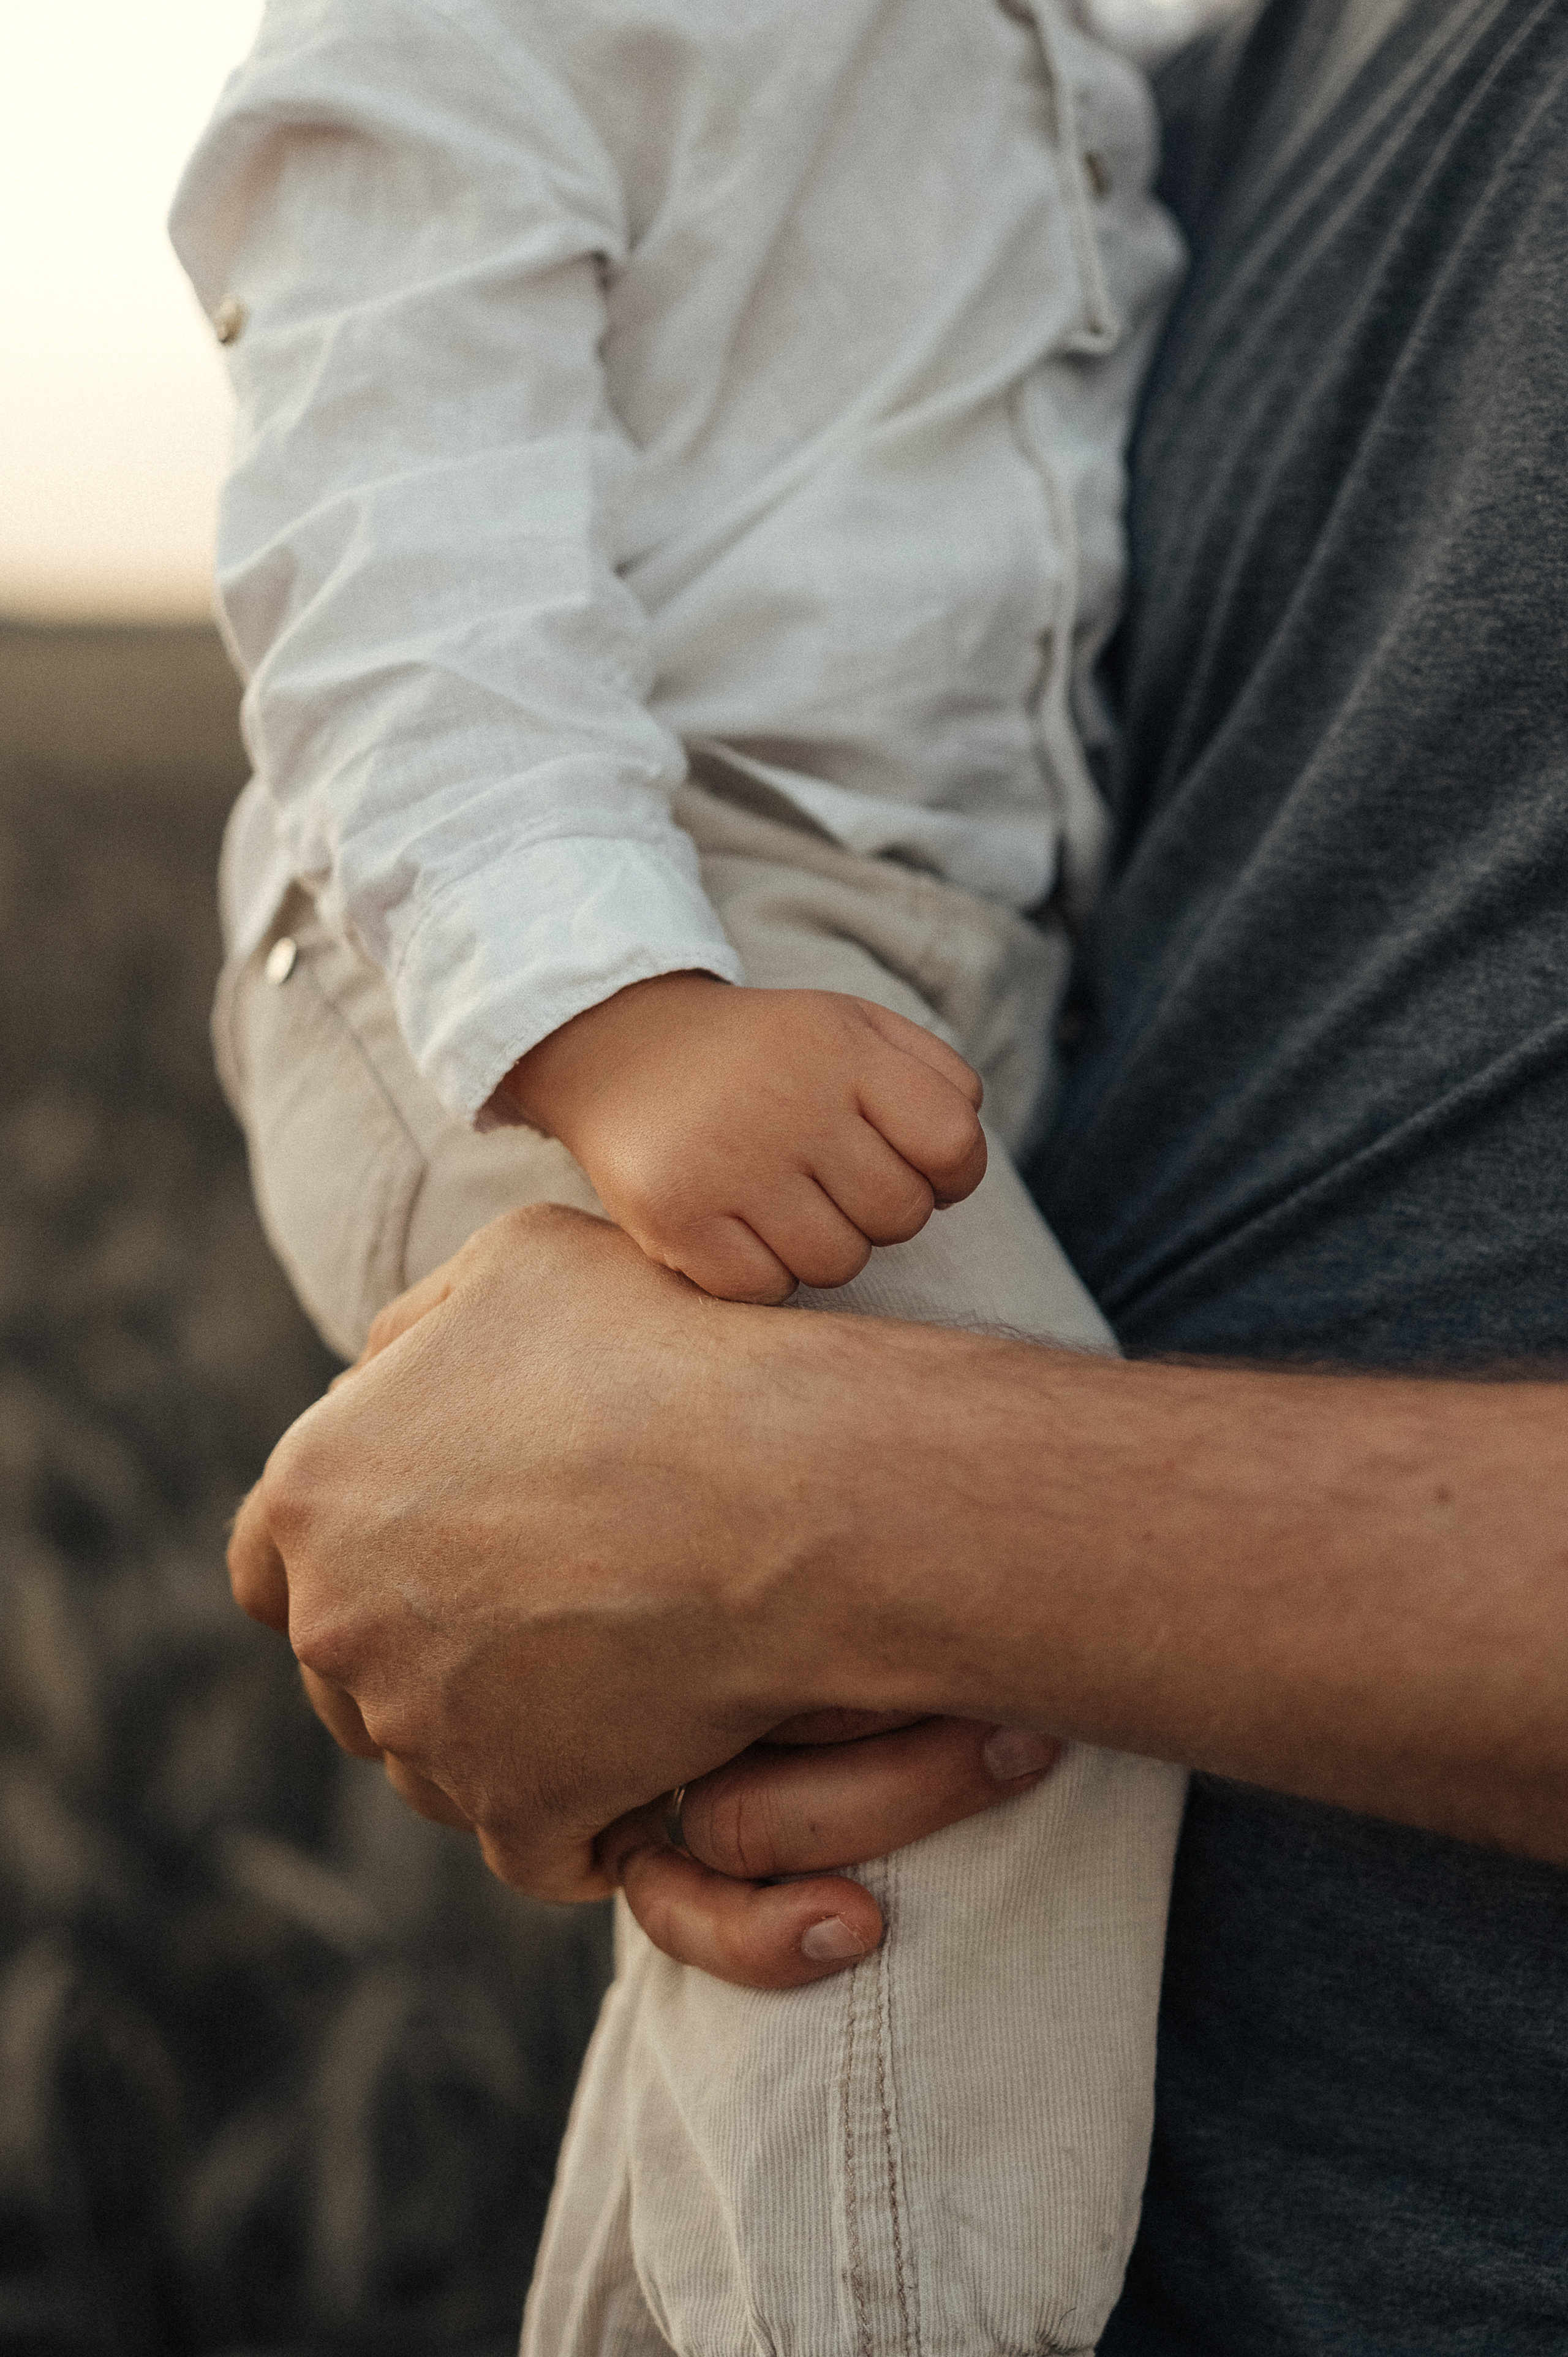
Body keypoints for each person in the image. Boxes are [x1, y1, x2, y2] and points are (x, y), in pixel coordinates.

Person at [227, 0, 1568, 2346]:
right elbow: (385, 488)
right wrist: (610, 1007)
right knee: (928, 1771)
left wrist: (863, 1508)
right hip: (613, 920)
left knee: (895, 1713)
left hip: (851, 982)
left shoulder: (1088, 57)